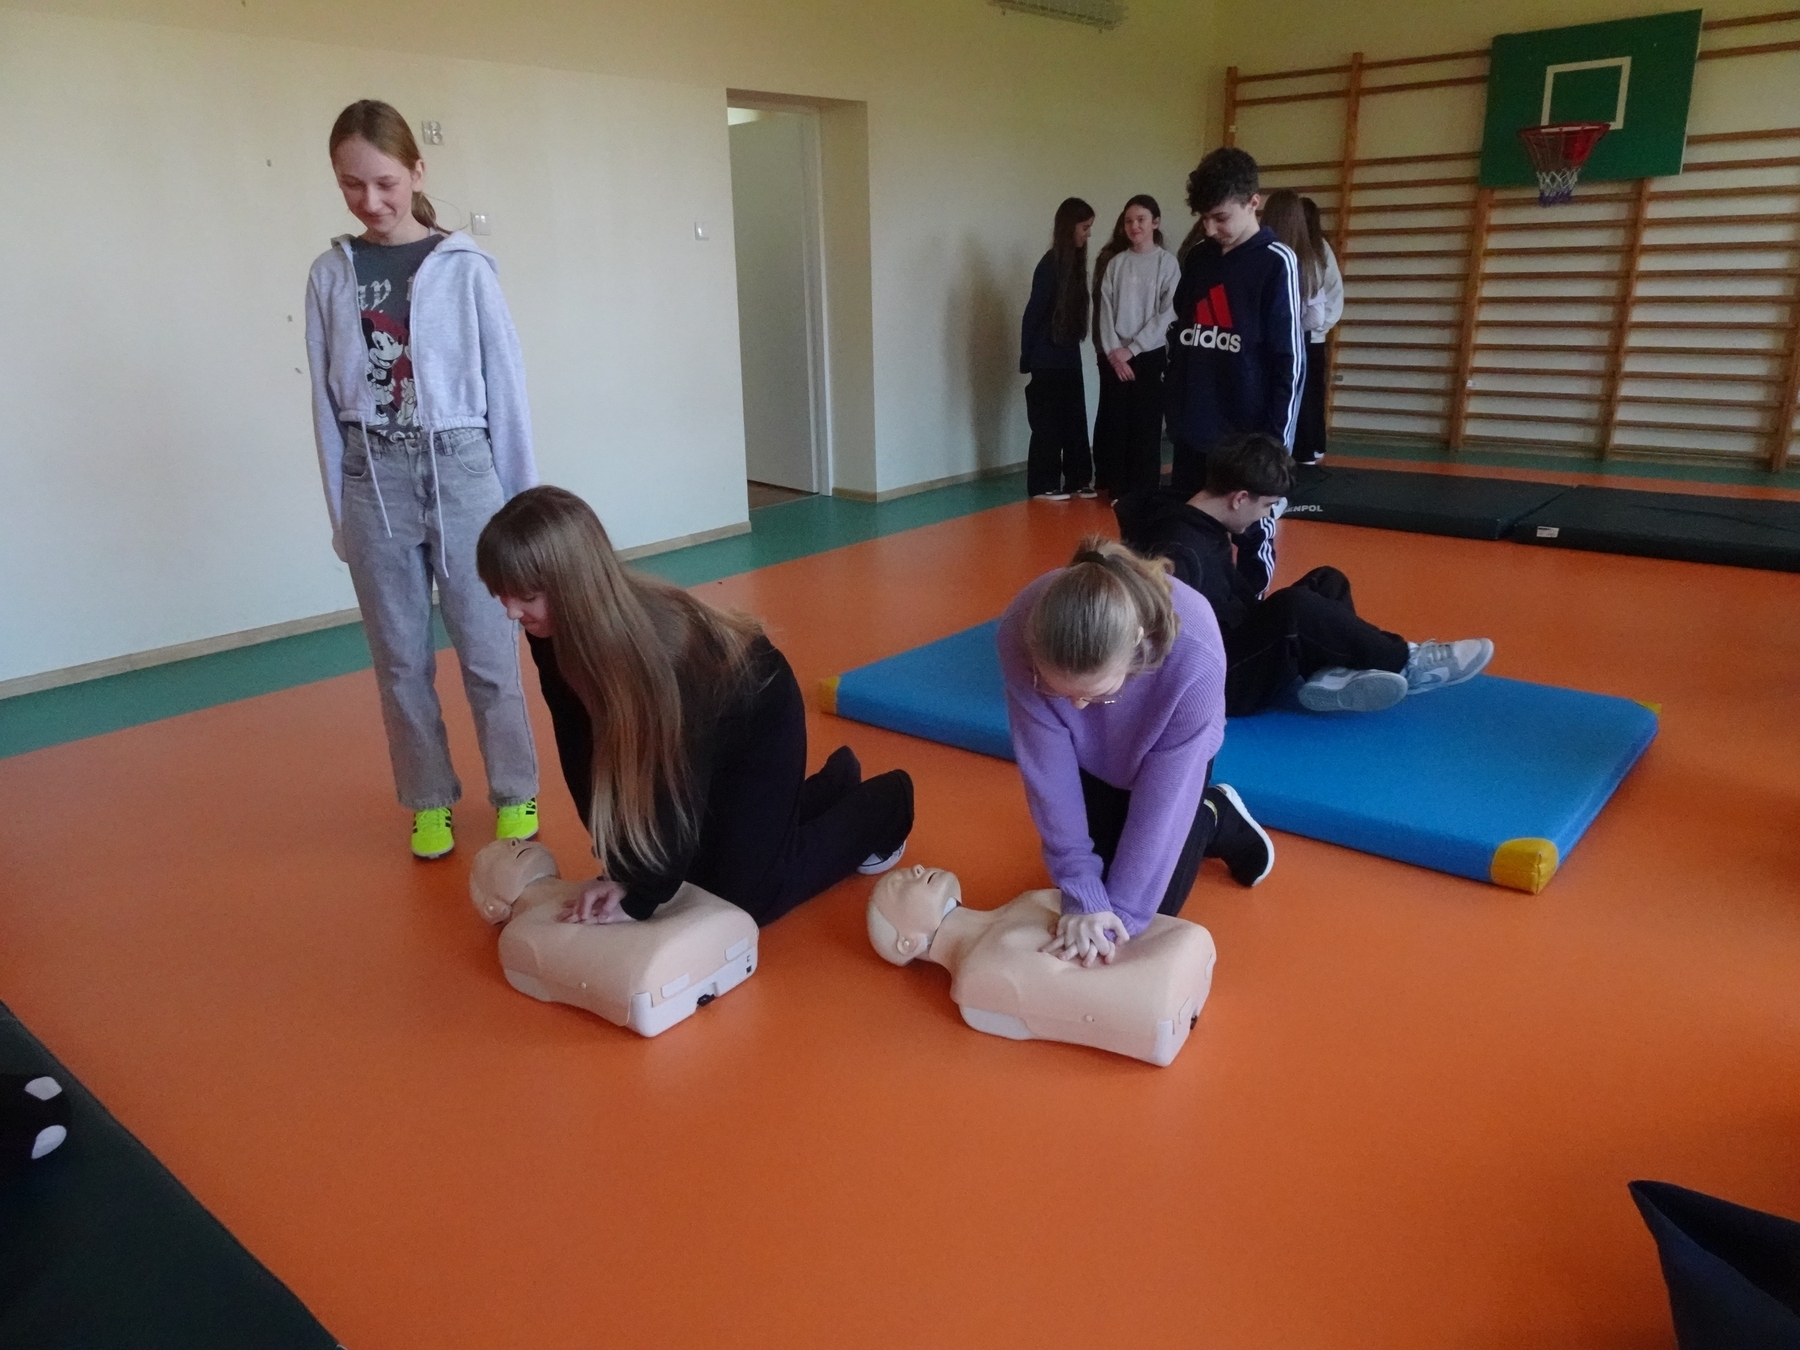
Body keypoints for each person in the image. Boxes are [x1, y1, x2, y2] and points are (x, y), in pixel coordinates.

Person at [476, 486, 915, 928]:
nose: (512, 612)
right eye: (502, 594)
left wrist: (640, 893)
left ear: (575, 587)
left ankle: (888, 805)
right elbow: (579, 742)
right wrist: (618, 862)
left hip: (757, 719)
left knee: (742, 900)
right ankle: (832, 787)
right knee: (692, 871)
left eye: (526, 597)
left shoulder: (660, 657)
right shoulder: (551, 631)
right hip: (705, 730)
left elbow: (671, 784)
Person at [306, 99, 541, 860]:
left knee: (488, 648)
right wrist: (341, 514)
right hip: (370, 474)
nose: (370, 201)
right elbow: (323, 404)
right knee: (400, 659)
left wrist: (525, 512)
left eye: (384, 182)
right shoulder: (330, 274)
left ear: (416, 171)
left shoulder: (465, 269)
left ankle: (515, 790)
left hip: (463, 466)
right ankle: (429, 800)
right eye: (351, 185)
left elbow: (506, 390)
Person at [997, 536, 1274, 967]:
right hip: (1094, 755)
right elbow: (1049, 776)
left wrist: (1120, 917)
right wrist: (1083, 892)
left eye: (1097, 694)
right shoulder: (1021, 630)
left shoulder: (1195, 654)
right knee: (1096, 886)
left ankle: (1214, 813)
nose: (1077, 707)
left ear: (1138, 644)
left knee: (1154, 911)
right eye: (1058, 691)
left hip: (1171, 757)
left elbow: (1163, 803)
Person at [1115, 433, 1494, 715]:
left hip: (1234, 644)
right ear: (1240, 498)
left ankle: (1327, 673)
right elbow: (1164, 639)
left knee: (1328, 579)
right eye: (1266, 505)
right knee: (1293, 607)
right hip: (1221, 683)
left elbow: (1232, 599)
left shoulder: (1203, 524)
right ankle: (1408, 662)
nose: (1266, 516)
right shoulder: (1179, 549)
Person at [1164, 147, 1304, 510]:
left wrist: (1274, 450)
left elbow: (1289, 364)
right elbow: (1184, 334)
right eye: (1204, 218)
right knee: (1188, 532)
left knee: (1246, 536)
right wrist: (1176, 412)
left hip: (1245, 443)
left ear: (1253, 202)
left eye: (1221, 218)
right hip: (1194, 433)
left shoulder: (1276, 262)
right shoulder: (1199, 257)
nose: (1210, 229)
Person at [1091, 195, 1181, 499]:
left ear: (1155, 222)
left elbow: (1167, 313)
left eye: (1141, 220)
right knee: (1117, 424)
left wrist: (1134, 349)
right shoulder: (1116, 264)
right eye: (1129, 221)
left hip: (1149, 355)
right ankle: (1118, 488)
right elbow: (1104, 311)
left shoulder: (1167, 264)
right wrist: (1115, 353)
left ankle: (1144, 490)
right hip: (1117, 355)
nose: (1134, 226)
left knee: (1146, 425)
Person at [1019, 198, 1097, 501]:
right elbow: (1033, 313)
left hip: (1067, 355)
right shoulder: (1049, 265)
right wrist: (1028, 356)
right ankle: (1043, 484)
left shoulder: (1074, 265)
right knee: (1047, 423)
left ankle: (1078, 479)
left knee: (1074, 418)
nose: (1087, 234)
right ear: (1070, 227)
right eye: (1084, 227)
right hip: (1046, 357)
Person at [1261, 192, 1343, 466]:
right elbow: (1316, 315)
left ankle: (1273, 458)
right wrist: (1294, 331)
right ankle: (1296, 456)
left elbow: (1322, 311)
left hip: (1268, 345)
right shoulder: (1306, 257)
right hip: (1296, 342)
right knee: (1295, 399)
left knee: (1273, 400)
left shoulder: (1266, 253)